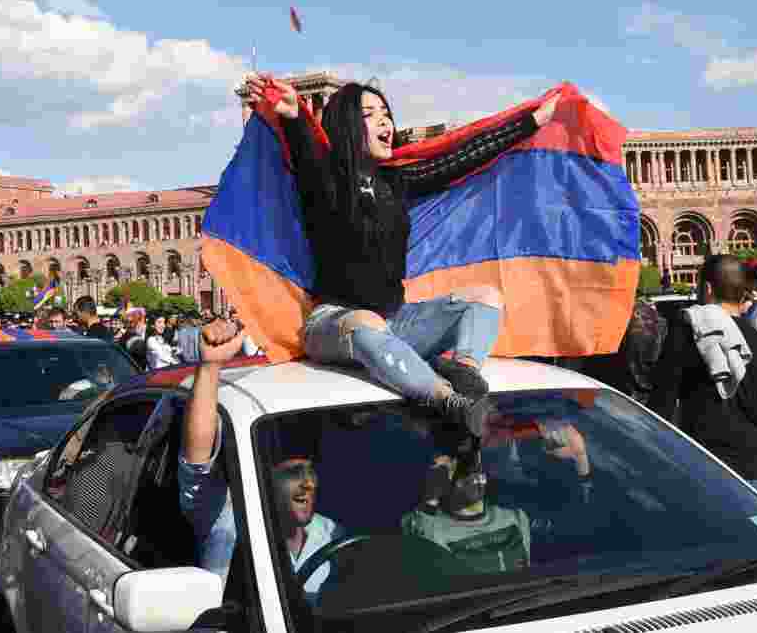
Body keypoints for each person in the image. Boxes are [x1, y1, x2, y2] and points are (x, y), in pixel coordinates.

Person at [245, 74, 559, 436]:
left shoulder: (397, 182)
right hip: (335, 324)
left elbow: (461, 159)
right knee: (365, 321)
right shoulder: (323, 176)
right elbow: (306, 149)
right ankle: (450, 402)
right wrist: (293, 114)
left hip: (397, 322)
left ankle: (464, 372)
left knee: (485, 298)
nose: (385, 122)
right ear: (347, 125)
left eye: (386, 113)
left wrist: (531, 122)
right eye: (370, 114)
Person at [179, 320, 344, 597]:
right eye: (293, 472)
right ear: (264, 477)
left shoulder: (332, 533)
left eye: (309, 471)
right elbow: (197, 463)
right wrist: (210, 368)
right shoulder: (226, 519)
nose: (307, 484)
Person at [648, 255, 757, 496]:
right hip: (754, 471)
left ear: (708, 289)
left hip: (703, 467)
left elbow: (661, 405)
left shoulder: (685, 337)